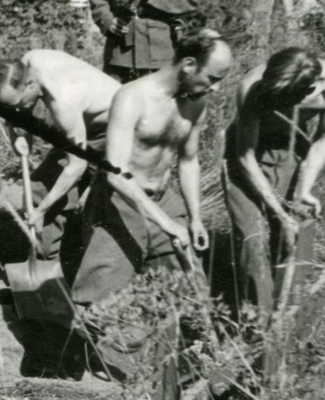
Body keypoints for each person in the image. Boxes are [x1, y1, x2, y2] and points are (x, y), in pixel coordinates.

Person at [69, 29, 233, 311]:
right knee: (101, 302)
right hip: (119, 201)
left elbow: (188, 160)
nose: (216, 88)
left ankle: (168, 349)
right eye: (213, 78)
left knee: (189, 289)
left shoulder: (195, 103)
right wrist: (166, 224)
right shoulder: (132, 97)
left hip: (162, 199)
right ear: (189, 64)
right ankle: (81, 351)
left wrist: (194, 218)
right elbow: (114, 172)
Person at [223, 47, 325, 314]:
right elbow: (245, 156)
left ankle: (285, 312)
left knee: (289, 236)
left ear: (310, 89)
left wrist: (304, 188)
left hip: (291, 147)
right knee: (251, 237)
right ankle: (259, 321)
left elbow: (324, 138)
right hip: (247, 151)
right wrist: (279, 211)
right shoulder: (251, 88)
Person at [0, 50, 122, 263]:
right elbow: (19, 115)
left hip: (119, 127)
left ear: (30, 84)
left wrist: (41, 211)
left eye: (18, 104)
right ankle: (47, 265)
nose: (17, 109)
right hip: (85, 124)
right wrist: (16, 128)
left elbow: (75, 167)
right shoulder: (27, 63)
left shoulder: (64, 101)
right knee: (40, 190)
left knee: (101, 203)